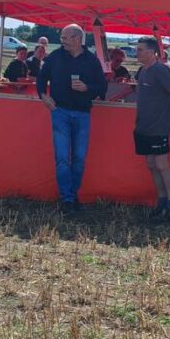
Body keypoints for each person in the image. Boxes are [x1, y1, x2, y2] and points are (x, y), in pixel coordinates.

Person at [37, 23, 108, 212]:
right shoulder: (55, 57)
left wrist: (87, 88)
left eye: (66, 37)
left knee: (78, 158)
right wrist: (43, 96)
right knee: (61, 158)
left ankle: (72, 195)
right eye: (62, 38)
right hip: (60, 111)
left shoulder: (91, 60)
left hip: (83, 113)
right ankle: (67, 199)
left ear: (77, 39)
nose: (62, 41)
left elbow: (102, 87)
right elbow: (41, 78)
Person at [132, 36, 170, 221]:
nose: (136, 52)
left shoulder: (159, 70)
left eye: (140, 49)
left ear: (151, 52)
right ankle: (162, 201)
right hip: (144, 126)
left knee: (162, 164)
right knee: (151, 164)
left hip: (158, 127)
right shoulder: (143, 71)